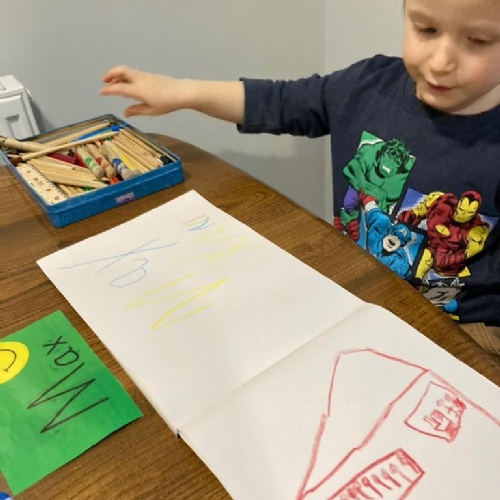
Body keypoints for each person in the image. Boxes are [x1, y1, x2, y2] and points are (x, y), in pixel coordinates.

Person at [100, 0, 500, 357]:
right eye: (426, 29)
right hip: (357, 296)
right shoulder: (365, 86)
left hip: (462, 331)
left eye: (479, 41)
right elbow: (280, 101)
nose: (441, 61)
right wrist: (182, 92)